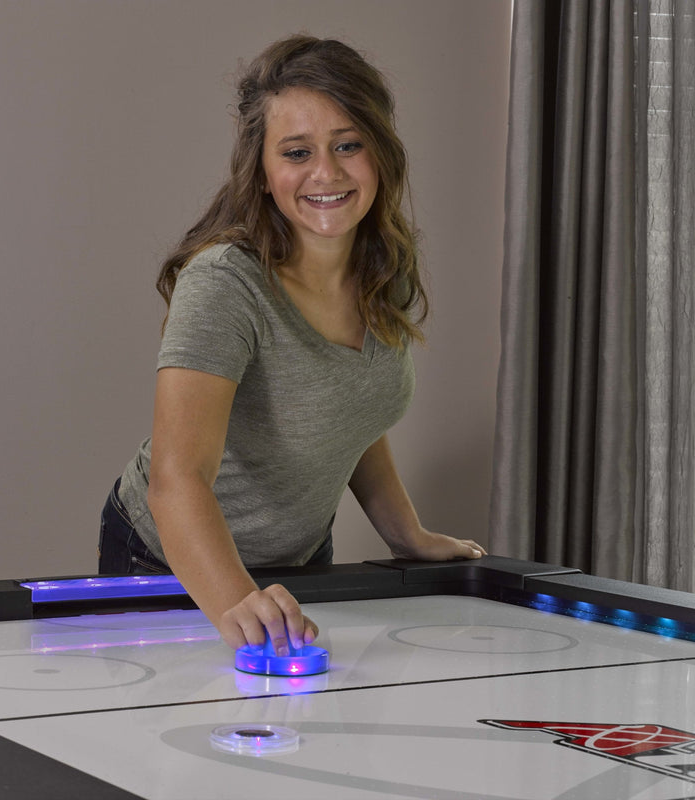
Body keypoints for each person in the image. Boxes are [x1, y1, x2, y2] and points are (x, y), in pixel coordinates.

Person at [99, 34, 486, 658]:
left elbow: (349, 411)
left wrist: (407, 534)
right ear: (263, 168)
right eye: (297, 151)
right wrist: (234, 598)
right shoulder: (225, 282)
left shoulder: (384, 265)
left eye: (348, 144)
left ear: (380, 151)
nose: (326, 172)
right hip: (170, 557)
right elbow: (177, 478)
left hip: (298, 560)